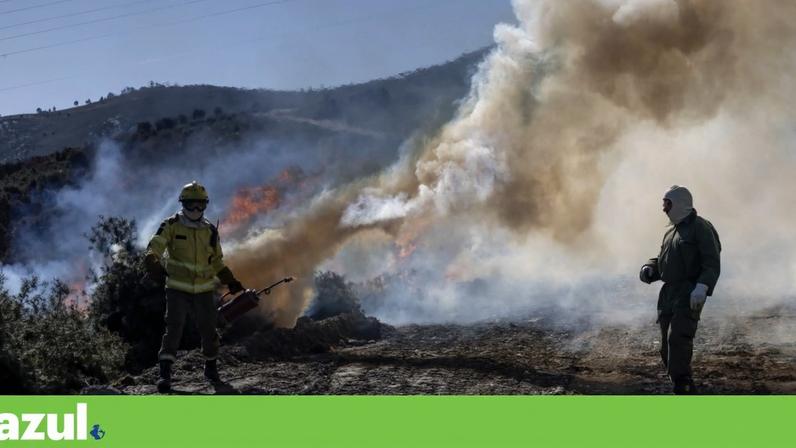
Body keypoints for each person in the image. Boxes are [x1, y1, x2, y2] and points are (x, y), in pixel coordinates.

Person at [144, 181, 245, 393]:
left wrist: (230, 280)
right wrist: (152, 261)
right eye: (191, 205)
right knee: (174, 327)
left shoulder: (210, 231)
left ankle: (211, 368)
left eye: (200, 205)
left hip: (204, 289)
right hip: (177, 288)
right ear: (183, 204)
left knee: (209, 329)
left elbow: (217, 261)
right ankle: (165, 375)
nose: (196, 210)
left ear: (205, 206)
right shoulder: (171, 224)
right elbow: (155, 246)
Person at [639, 185, 721, 394]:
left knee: (678, 338)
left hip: (689, 291)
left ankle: (683, 386)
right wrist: (649, 267)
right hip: (668, 294)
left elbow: (711, 261)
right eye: (664, 204)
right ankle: (679, 382)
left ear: (680, 204)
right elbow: (664, 260)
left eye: (667, 204)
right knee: (666, 346)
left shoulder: (700, 227)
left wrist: (702, 286)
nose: (664, 209)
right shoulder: (671, 232)